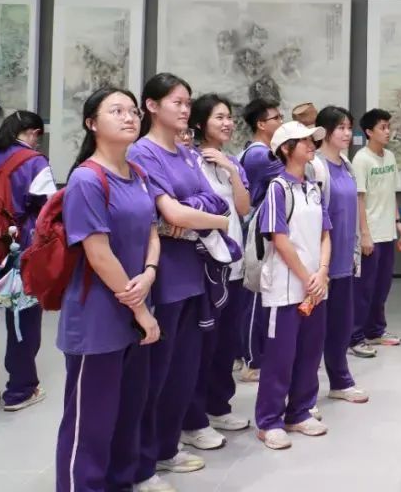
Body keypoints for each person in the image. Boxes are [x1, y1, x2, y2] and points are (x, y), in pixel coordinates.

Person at [55, 87, 161, 492]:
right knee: (91, 422)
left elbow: (152, 230)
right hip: (98, 317)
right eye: (116, 110)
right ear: (91, 123)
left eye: (133, 111)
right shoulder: (87, 179)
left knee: (127, 413)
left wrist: (149, 272)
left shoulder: (139, 174)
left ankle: (120, 484)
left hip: (136, 308)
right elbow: (98, 254)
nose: (129, 117)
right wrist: (141, 309)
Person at [128, 74, 230, 490]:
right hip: (163, 274)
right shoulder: (143, 152)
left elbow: (215, 202)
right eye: (177, 102)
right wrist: (204, 217)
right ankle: (143, 463)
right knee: (155, 374)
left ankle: (167, 448)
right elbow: (171, 215)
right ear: (152, 106)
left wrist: (196, 212)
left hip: (193, 269)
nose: (186, 109)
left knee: (183, 370)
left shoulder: (187, 153)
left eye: (188, 102)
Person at [254, 121, 331, 450]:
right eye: (304, 141)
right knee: (280, 358)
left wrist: (322, 272)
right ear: (286, 149)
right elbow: (280, 239)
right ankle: (269, 421)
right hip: (286, 289)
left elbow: (326, 233)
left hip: (315, 287)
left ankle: (299, 412)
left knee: (310, 353)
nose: (311, 145)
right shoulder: (278, 188)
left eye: (312, 140)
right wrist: (305, 276)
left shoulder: (313, 188)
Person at [184, 94, 252, 441]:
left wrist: (231, 170)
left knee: (227, 343)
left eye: (229, 117)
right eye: (219, 118)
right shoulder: (189, 161)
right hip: (205, 267)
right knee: (202, 346)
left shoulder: (232, 161)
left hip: (234, 266)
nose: (227, 123)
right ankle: (193, 419)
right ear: (199, 123)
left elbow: (243, 208)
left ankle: (218, 406)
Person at [0, 110, 56, 412]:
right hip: (20, 251)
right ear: (33, 132)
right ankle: (21, 390)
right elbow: (50, 211)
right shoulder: (34, 162)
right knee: (22, 319)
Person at [313, 106, 368, 404]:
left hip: (345, 260)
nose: (347, 133)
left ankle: (340, 381)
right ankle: (303, 395)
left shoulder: (346, 165)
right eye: (341, 128)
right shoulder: (315, 166)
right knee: (313, 332)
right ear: (324, 131)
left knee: (341, 326)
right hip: (321, 265)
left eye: (349, 127)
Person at [350, 109, 401, 358]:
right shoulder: (361, 160)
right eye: (382, 127)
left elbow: (391, 194)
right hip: (370, 235)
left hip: (387, 234)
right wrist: (365, 234)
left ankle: (375, 331)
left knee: (381, 287)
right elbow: (359, 199)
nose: (388, 132)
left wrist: (399, 224)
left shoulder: (390, 157)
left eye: (388, 127)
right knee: (363, 289)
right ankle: (355, 337)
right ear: (369, 132)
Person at [238, 98, 284, 383]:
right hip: (257, 229)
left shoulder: (262, 152)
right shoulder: (260, 155)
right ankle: (252, 361)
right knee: (255, 293)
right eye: (276, 118)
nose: (281, 122)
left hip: (265, 227)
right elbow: (296, 171)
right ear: (261, 124)